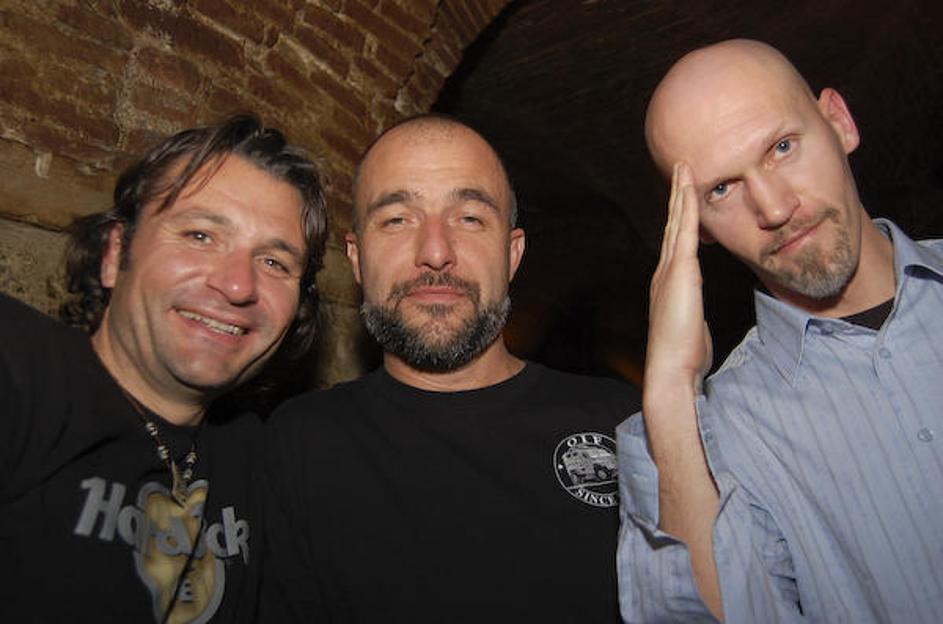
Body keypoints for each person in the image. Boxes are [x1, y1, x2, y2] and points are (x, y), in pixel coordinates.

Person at [261, 114, 640, 622]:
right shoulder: (298, 444)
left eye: (470, 218)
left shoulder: (626, 424)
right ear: (356, 258)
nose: (436, 253)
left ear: (512, 254)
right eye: (397, 220)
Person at [616, 39, 943, 622]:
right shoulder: (715, 440)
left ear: (839, 122)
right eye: (722, 188)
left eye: (782, 148)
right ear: (697, 226)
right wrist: (669, 392)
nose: (773, 208)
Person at [0, 114, 327, 623]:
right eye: (200, 235)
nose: (238, 285)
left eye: (274, 263)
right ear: (115, 253)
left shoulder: (265, 462)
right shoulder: (23, 369)